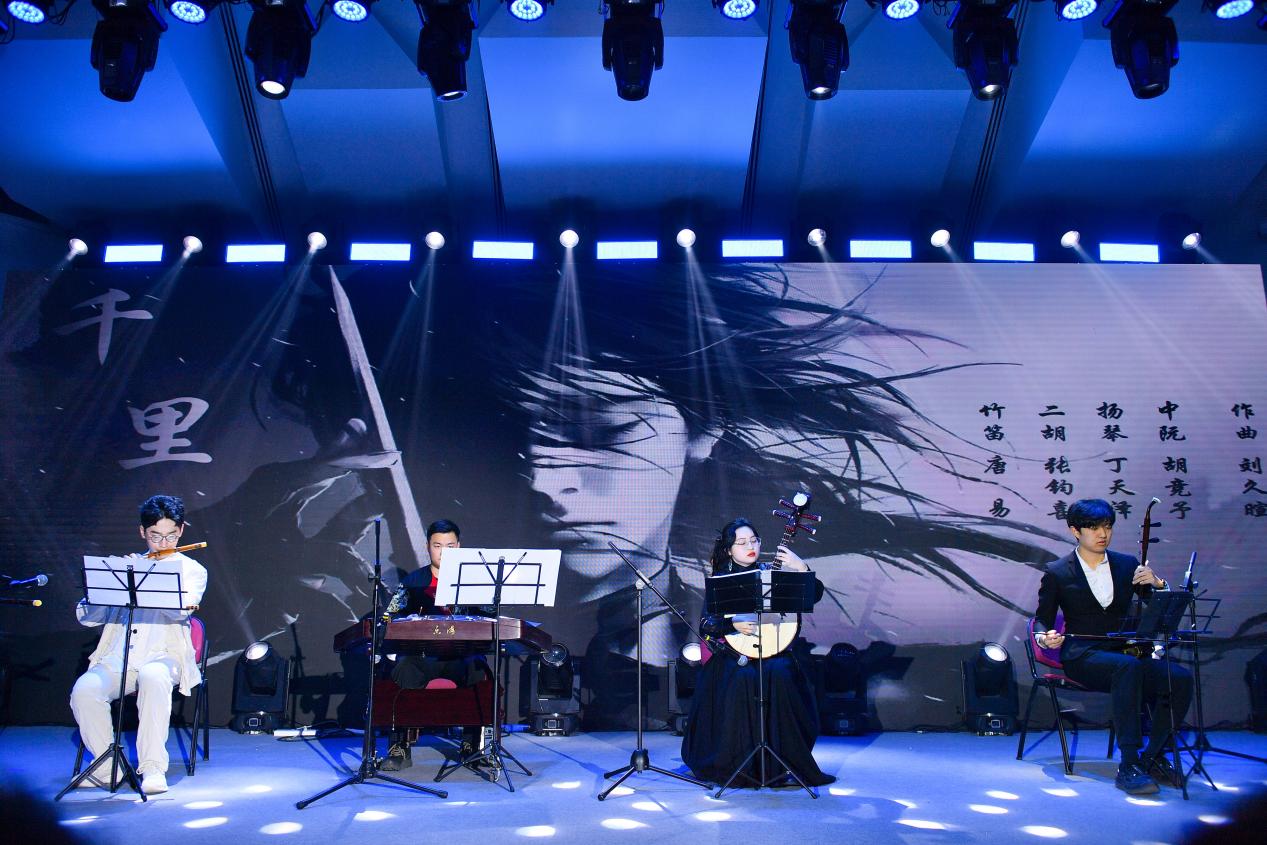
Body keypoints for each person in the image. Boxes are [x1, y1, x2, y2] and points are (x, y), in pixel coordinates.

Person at [1034, 498, 1192, 795]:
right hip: (1083, 655)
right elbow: (1042, 619)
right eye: (1094, 527)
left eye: (1107, 526)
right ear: (1075, 531)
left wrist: (1159, 584)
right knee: (1127, 667)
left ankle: (1152, 757)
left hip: (1123, 653)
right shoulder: (1058, 571)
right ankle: (1129, 763)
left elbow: (1159, 608)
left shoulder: (1126, 564)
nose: (1102, 534)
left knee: (1179, 678)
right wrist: (1044, 637)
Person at [69, 495, 207, 795]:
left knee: (152, 676)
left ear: (181, 530)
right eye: (155, 536)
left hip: (166, 657)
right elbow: (88, 618)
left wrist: (153, 577)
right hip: (119, 658)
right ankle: (107, 769)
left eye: (171, 536)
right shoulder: (125, 568)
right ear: (142, 532)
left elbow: (181, 611)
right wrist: (104, 589)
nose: (163, 543)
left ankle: (153, 767)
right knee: (84, 690)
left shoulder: (191, 570)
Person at [681, 518, 835, 788]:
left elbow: (813, 596)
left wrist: (801, 567)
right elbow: (706, 624)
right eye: (741, 543)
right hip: (734, 653)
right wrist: (733, 624)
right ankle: (738, 765)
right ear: (729, 550)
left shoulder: (771, 572)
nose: (750, 546)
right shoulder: (722, 579)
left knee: (783, 674)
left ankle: (785, 763)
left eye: (754, 540)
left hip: (774, 650)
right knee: (742, 678)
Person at [380, 519, 488, 771]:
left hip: (459, 656)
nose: (444, 552)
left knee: (477, 669)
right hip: (422, 656)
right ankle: (399, 748)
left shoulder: (473, 581)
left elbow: (488, 616)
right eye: (437, 546)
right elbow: (390, 617)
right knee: (403, 669)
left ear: (458, 547)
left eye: (450, 546)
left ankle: (472, 745)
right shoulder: (414, 581)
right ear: (428, 547)